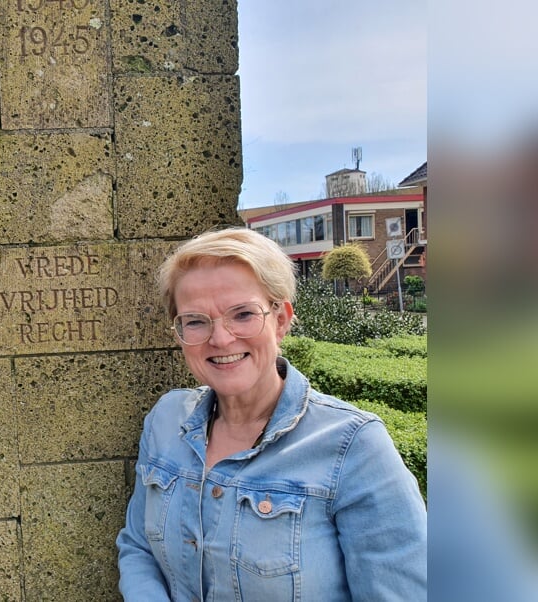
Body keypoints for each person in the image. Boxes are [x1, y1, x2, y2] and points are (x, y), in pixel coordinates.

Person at [116, 227, 426, 601]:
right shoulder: (165, 421)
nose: (221, 339)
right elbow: (138, 547)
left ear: (281, 319)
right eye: (196, 320)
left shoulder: (353, 448)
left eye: (243, 314)